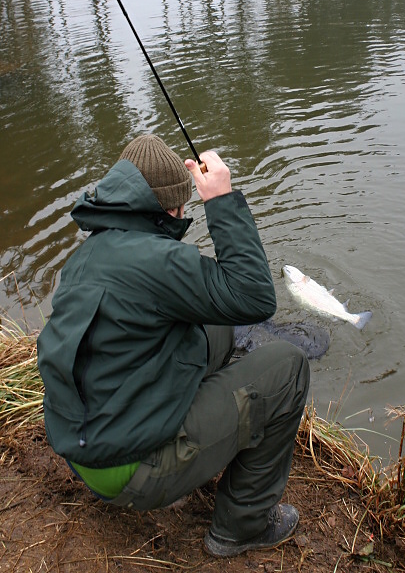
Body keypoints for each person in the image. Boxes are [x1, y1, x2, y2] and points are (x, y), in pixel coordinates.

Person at [37, 134, 310, 558]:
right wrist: (221, 198)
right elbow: (256, 298)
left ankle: (198, 442)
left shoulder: (89, 254)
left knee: (215, 327)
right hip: (130, 471)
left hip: (84, 448)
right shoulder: (159, 260)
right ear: (171, 208)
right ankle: (242, 526)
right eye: (185, 206)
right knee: (288, 368)